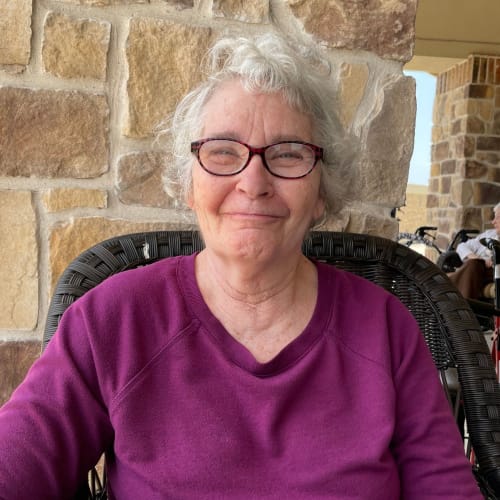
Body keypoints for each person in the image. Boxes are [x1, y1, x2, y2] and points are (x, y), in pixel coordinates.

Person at [0, 32, 482, 499]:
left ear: (322, 193)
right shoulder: (112, 320)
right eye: (223, 152)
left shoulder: (386, 328)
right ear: (188, 185)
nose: (254, 181)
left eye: (288, 154)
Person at [447, 202, 500, 300]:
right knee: (474, 263)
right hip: (475, 270)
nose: (493, 222)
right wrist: (476, 258)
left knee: (473, 265)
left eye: (498, 217)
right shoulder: (489, 234)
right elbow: (462, 246)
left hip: (493, 273)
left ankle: (442, 283)